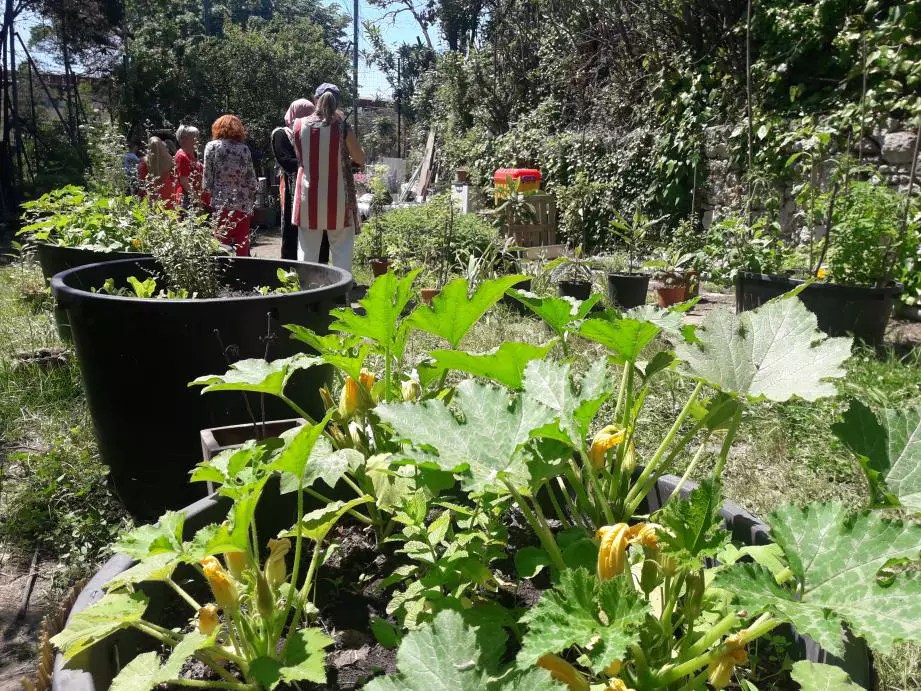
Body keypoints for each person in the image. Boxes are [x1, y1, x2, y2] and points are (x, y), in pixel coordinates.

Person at [291, 83, 365, 272]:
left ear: (315, 100)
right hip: (338, 199)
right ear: (337, 102)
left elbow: (301, 156)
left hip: (308, 198)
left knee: (307, 252)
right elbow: (360, 159)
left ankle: (306, 295)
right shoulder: (342, 126)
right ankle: (340, 295)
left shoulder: (298, 125)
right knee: (341, 251)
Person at [203, 114, 259, 256]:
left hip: (221, 203)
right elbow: (252, 181)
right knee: (242, 243)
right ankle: (244, 273)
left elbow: (207, 180)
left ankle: (224, 274)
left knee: (221, 243)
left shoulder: (212, 147)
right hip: (243, 204)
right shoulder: (244, 149)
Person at [174, 124, 209, 210]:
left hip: (195, 198)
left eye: (198, 136)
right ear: (184, 139)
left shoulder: (192, 156)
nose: (198, 140)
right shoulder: (182, 156)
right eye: (194, 137)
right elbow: (184, 181)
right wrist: (197, 200)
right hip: (188, 200)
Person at [137, 136, 176, 206]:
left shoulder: (144, 161)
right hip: (167, 190)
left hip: (150, 190)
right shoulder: (170, 159)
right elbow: (174, 178)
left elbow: (141, 180)